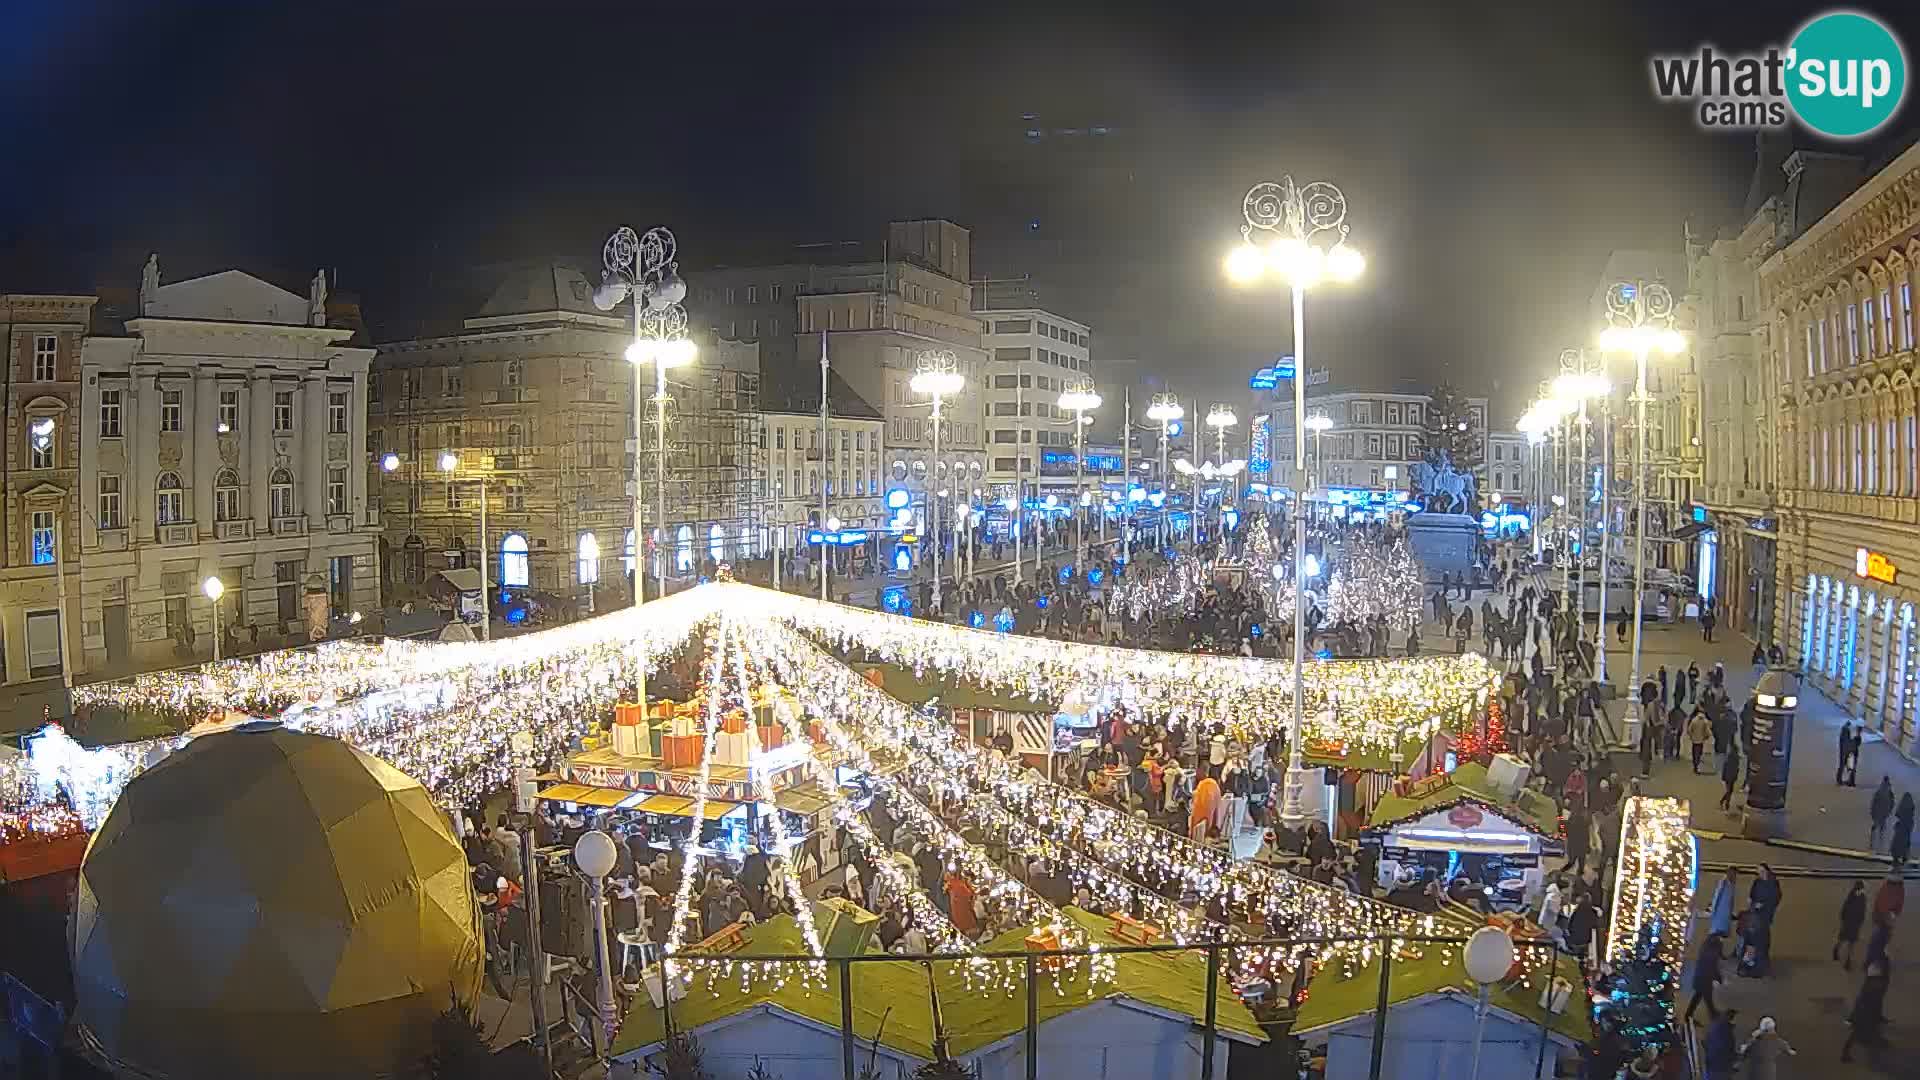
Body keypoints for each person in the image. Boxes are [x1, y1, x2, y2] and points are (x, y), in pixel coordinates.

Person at [1841, 956, 1890, 1064]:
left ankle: (1847, 1052)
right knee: (1857, 1032)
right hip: (1863, 1012)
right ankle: (1845, 1053)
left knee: (1859, 1032)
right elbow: (1869, 1000)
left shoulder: (1871, 983)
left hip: (1864, 1011)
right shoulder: (1872, 985)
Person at [1683, 932, 1724, 1023]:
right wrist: (1719, 978)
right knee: (1707, 998)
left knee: (1698, 997)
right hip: (1705, 979)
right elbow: (1713, 968)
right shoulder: (1712, 954)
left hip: (1700, 977)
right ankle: (1715, 1018)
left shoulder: (1706, 947)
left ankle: (1688, 1015)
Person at [1834, 880, 1867, 970]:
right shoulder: (1861, 897)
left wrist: (1843, 919)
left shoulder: (1852, 895)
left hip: (1849, 922)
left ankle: (1838, 953)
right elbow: (1862, 911)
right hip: (1853, 923)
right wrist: (1860, 921)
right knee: (1849, 942)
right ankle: (1846, 960)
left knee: (1844, 939)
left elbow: (1845, 908)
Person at [1701, 1009, 1739, 1080]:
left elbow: (1705, 1043)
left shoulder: (1714, 1027)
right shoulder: (1729, 1036)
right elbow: (1729, 1053)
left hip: (1711, 1068)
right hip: (1720, 1070)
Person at [1707, 869, 1738, 940]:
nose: (1734, 877)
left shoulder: (1732, 886)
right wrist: (1712, 910)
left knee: (1721, 937)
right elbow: (1716, 896)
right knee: (1715, 936)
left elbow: (1731, 902)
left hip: (1725, 917)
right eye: (1733, 874)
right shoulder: (1723, 883)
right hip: (1719, 915)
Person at [1870, 776, 1896, 849]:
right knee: (1881, 826)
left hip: (1878, 812)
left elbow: (1874, 802)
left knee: (1875, 826)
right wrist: (1890, 810)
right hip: (1884, 812)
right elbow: (1892, 802)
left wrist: (1872, 811)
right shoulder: (1889, 792)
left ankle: (1873, 841)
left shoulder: (1879, 791)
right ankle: (1880, 841)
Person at [1687, 707, 1712, 774]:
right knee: (1699, 754)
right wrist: (1706, 737)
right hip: (1701, 740)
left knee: (1694, 754)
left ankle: (1695, 767)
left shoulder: (1694, 720)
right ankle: (1697, 767)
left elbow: (1689, 730)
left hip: (1694, 740)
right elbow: (1708, 732)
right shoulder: (1704, 721)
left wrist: (1691, 736)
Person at [1894, 792, 1916, 866]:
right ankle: (1904, 857)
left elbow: (1897, 814)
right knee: (1906, 842)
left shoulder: (1902, 805)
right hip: (1907, 827)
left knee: (1897, 841)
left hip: (1901, 826)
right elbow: (1912, 816)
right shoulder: (1911, 806)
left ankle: (1896, 856)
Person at [1719, 743, 1741, 812]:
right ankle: (1726, 806)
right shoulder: (1736, 758)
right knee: (1729, 791)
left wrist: (1723, 777)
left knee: (1729, 791)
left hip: (1728, 777)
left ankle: (1723, 801)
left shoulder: (1729, 758)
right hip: (1731, 777)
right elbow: (1737, 769)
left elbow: (1725, 768)